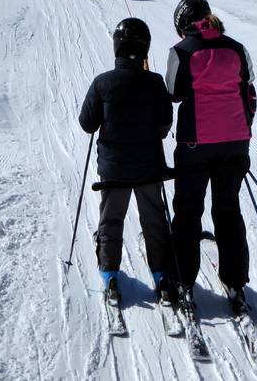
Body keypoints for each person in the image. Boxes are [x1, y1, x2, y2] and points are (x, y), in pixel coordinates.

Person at [166, 0, 256, 315]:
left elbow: (174, 93)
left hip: (196, 144)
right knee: (228, 210)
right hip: (235, 142)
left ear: (183, 24)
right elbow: (248, 88)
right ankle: (235, 283)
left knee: (188, 211)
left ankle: (182, 281)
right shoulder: (237, 48)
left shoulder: (181, 51)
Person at [79, 18, 176, 305]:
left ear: (117, 47)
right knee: (154, 220)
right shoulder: (155, 82)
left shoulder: (102, 83)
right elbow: (164, 123)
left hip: (114, 169)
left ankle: (110, 275)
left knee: (111, 220)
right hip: (148, 168)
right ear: (145, 48)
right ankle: (162, 277)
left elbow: (87, 123)